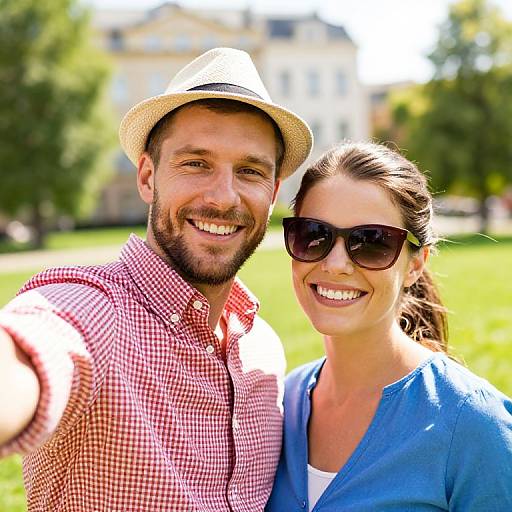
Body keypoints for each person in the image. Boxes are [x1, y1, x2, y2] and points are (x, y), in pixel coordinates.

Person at [0, 47, 313, 511]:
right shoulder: (91, 313)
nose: (224, 197)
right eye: (196, 163)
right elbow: (30, 349)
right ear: (147, 177)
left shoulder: (261, 350)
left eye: (249, 171)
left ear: (272, 195)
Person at [266, 141, 512, 511]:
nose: (335, 264)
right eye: (314, 234)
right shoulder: (282, 402)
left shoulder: (473, 424)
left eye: (372, 242)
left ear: (415, 264)